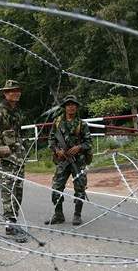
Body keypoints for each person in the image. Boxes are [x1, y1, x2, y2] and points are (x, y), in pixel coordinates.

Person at [0, 80, 32, 243]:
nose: (16, 93)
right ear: (5, 93)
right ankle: (10, 224)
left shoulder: (18, 112)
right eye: (12, 91)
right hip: (6, 158)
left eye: (17, 90)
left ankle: (12, 222)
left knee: (18, 191)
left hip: (19, 158)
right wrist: (7, 146)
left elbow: (18, 133)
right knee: (8, 191)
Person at [45, 95, 92, 226]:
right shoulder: (57, 122)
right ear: (64, 107)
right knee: (56, 187)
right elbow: (51, 140)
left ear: (76, 107)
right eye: (68, 105)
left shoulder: (82, 124)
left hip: (78, 161)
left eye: (73, 105)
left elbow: (89, 143)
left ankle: (77, 215)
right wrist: (56, 150)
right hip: (63, 160)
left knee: (80, 187)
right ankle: (58, 215)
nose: (71, 107)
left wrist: (79, 147)